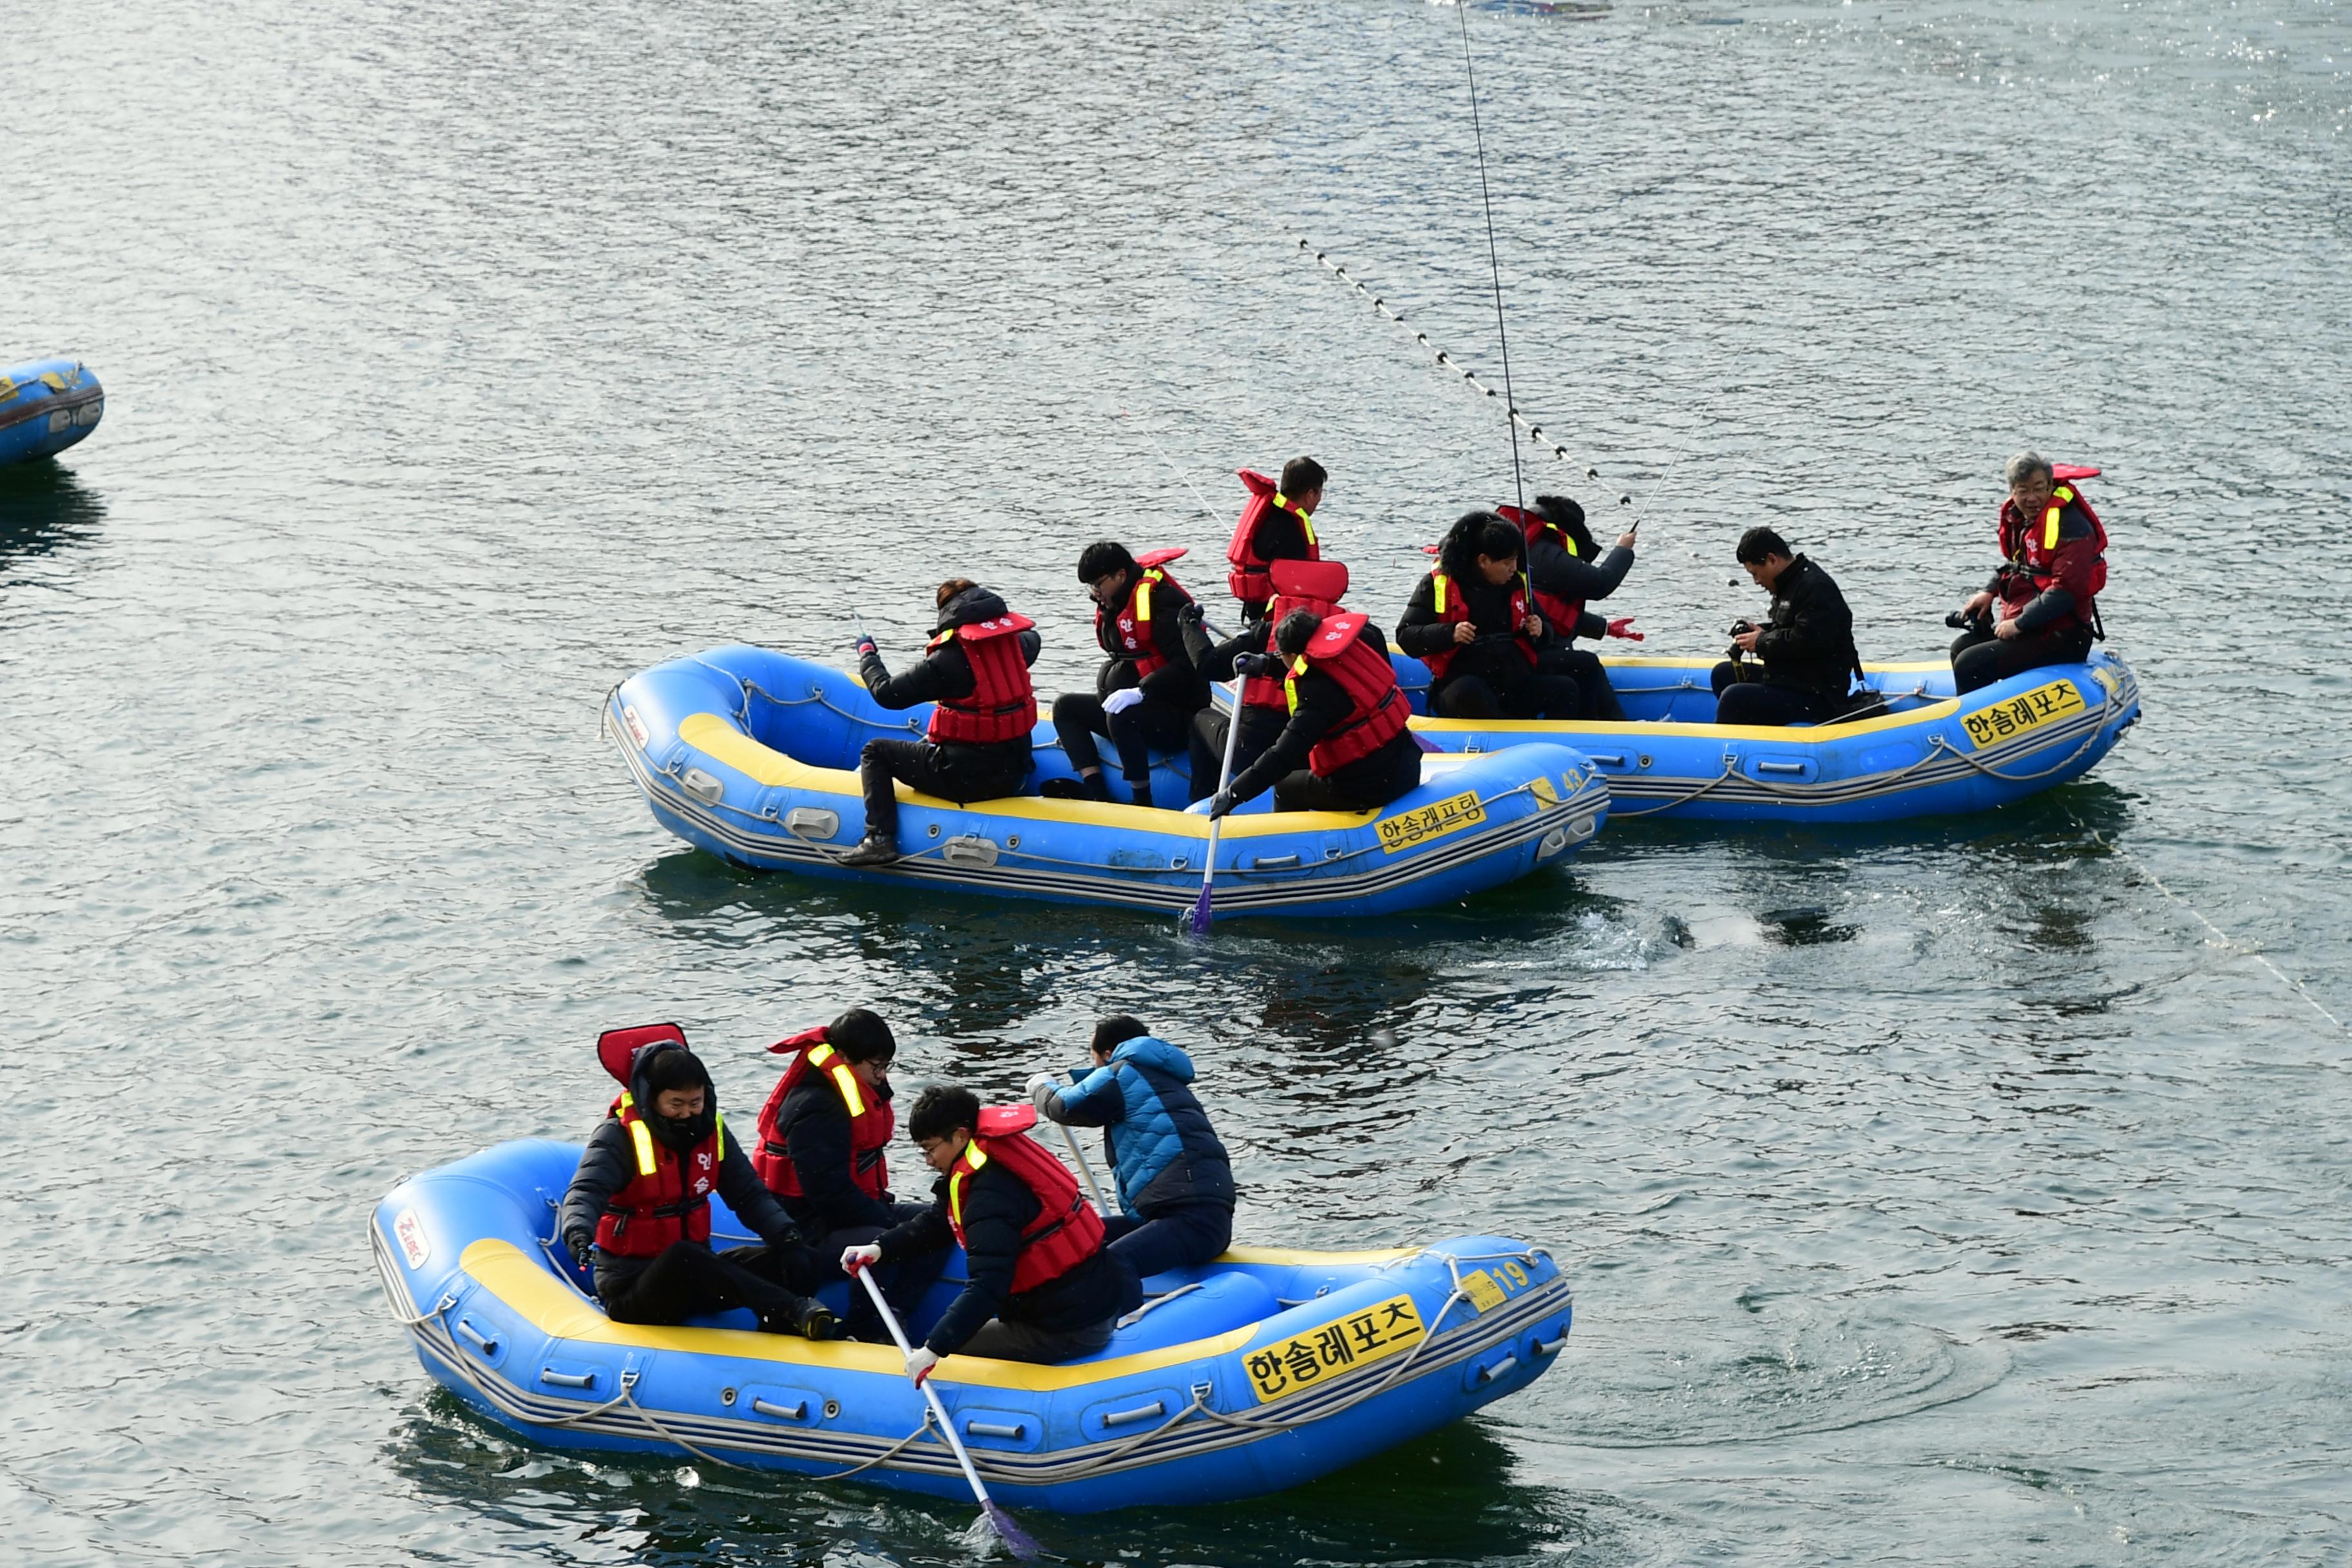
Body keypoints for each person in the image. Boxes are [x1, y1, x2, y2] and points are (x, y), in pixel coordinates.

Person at [558, 1024, 837, 1338]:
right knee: (684, 1256)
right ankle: (794, 1309)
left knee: (800, 1257)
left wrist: (787, 1236)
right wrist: (578, 1232)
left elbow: (748, 1194)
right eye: (676, 1104)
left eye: (695, 1103)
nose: (687, 1114)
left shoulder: (711, 1131)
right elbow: (586, 1191)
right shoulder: (618, 1136)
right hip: (633, 1286)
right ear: (651, 1098)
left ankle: (780, 1338)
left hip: (696, 1275)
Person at [843, 1087, 1138, 1374]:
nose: (929, 1161)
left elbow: (988, 1286)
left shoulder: (988, 1196)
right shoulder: (991, 1157)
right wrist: (880, 1247)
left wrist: (934, 1349)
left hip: (1068, 1328)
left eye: (930, 1150)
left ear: (960, 1135)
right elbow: (937, 1223)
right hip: (1091, 1302)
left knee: (953, 1357)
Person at [753, 1008, 947, 1343]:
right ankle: (864, 1330)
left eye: (886, 1065)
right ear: (843, 1058)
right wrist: (889, 1227)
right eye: (876, 1067)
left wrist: (893, 1223)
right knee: (881, 1243)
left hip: (852, 1211)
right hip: (808, 1230)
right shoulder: (815, 1108)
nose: (883, 1076)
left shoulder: (850, 1094)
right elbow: (829, 1196)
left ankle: (895, 1311)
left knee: (939, 1223)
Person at [841, 579, 1040, 867]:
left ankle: (879, 839)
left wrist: (868, 655)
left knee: (875, 752)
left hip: (965, 780)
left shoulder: (947, 661)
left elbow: (886, 693)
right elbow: (1034, 639)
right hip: (1016, 774)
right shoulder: (1020, 645)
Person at [1026, 1015, 1235, 1279]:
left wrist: (1040, 1085)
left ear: (1107, 1054)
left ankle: (1115, 1320)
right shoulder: (1164, 1078)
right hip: (1191, 1216)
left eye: (1093, 1057)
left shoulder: (1124, 1072)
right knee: (1078, 1239)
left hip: (1190, 1219)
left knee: (1114, 1263)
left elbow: (1065, 1105)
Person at [1208, 607, 1420, 816]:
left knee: (1285, 787)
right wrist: (1266, 663)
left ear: (1292, 654)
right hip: (1407, 763)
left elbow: (1284, 754)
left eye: (1279, 654)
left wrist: (1234, 794)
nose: (1279, 658)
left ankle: (1287, 842)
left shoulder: (1316, 695)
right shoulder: (1351, 650)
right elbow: (1309, 661)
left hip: (1370, 787)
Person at [1047, 543, 1211, 810]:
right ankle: (1098, 793)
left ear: (1121, 575)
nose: (1095, 593)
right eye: (1090, 587)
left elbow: (1188, 664)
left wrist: (1141, 691)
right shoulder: (1115, 602)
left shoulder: (1164, 604)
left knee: (1122, 715)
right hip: (1133, 709)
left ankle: (1141, 801)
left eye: (1098, 585)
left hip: (1176, 714)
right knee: (1065, 706)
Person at [1177, 557, 1352, 803]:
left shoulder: (1269, 631)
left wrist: (1189, 624)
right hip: (1310, 753)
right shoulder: (1343, 635)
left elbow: (1208, 665)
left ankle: (1202, 801)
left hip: (1251, 751)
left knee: (1200, 719)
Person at [1947, 451, 2108, 694]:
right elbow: (2015, 566)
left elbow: (2065, 591)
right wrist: (1989, 592)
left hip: (2064, 635)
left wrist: (2020, 624)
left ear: (2051, 486)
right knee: (1960, 647)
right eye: (2023, 491)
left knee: (1971, 664)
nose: (2032, 498)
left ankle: (1971, 727)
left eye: (2039, 489)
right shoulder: (2022, 521)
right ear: (2012, 492)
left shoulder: (2072, 527)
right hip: (2033, 627)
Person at [1395, 512, 1582, 720]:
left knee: (1566, 689)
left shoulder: (1516, 584)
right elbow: (1406, 636)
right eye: (1507, 562)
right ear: (1484, 561)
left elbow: (1546, 632)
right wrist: (1450, 633)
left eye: (1516, 560)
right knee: (1469, 691)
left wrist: (1540, 630)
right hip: (1462, 684)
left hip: (1511, 683)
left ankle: (1556, 741)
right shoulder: (1439, 584)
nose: (1514, 568)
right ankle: (1504, 735)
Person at [1503, 493, 1642, 721]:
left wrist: (1605, 628)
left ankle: (1611, 725)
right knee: (1586, 665)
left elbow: (1548, 611)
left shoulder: (1529, 545)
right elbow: (1599, 583)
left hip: (1529, 645)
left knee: (1580, 668)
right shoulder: (1542, 551)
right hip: (1517, 656)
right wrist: (1623, 549)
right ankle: (1610, 727)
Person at [1712, 527, 1864, 726]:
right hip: (1791, 680)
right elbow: (1789, 629)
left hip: (1818, 695)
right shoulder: (1789, 584)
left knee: (1734, 698)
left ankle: (1725, 750)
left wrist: (1761, 642)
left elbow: (1807, 641)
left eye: (1756, 573)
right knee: (1723, 674)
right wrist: (1761, 632)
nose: (1756, 581)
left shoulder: (1816, 587)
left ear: (1772, 560)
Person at [1225, 456, 1326, 618]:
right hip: (1275, 619)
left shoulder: (1271, 514)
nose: (1320, 499)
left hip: (1255, 610)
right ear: (1310, 494)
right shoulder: (1291, 529)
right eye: (1321, 493)